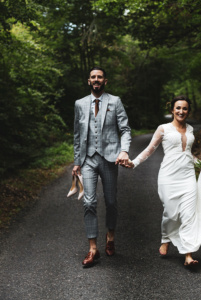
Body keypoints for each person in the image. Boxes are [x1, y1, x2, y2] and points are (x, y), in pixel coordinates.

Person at [125, 95, 201, 266]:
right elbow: (150, 149)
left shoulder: (190, 129)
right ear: (172, 110)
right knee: (171, 212)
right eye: (178, 108)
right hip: (168, 176)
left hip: (188, 176)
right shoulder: (163, 128)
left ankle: (188, 255)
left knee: (189, 215)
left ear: (188, 111)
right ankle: (165, 237)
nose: (181, 111)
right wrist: (134, 162)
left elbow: (188, 154)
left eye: (185, 108)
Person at [71, 67, 131, 267]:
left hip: (110, 158)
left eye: (100, 77)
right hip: (88, 159)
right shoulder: (80, 104)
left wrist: (124, 151)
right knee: (89, 202)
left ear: (105, 81)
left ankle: (111, 237)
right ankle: (93, 249)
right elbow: (77, 135)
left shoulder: (115, 101)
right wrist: (77, 161)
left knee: (111, 201)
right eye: (93, 77)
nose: (96, 80)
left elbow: (125, 129)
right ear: (89, 81)